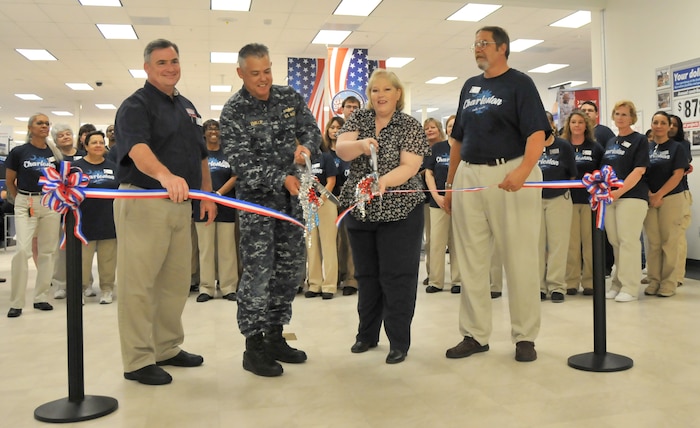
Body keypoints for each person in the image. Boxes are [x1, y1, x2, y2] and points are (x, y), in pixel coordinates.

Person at [443, 26, 550, 362]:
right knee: (472, 259)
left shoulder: (520, 84)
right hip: (469, 176)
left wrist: (520, 173)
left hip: (511, 172)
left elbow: (537, 135)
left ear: (502, 48)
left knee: (519, 257)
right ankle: (474, 335)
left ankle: (525, 337)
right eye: (475, 44)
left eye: (484, 43)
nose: (478, 49)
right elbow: (458, 139)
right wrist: (449, 185)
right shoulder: (470, 87)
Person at [113, 39, 216, 385]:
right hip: (144, 200)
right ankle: (138, 359)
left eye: (174, 60)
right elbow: (137, 148)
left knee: (174, 283)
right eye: (161, 63)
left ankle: (167, 347)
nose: (170, 67)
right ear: (147, 68)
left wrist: (208, 195)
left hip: (180, 205)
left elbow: (201, 154)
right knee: (138, 285)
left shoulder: (187, 107)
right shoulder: (135, 105)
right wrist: (165, 175)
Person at [219, 43, 321, 377]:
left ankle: (276, 335)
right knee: (259, 274)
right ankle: (254, 346)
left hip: (292, 203)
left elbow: (311, 129)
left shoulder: (288, 96)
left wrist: (306, 145)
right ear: (240, 74)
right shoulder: (233, 111)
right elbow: (241, 162)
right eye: (254, 74)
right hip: (258, 205)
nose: (263, 79)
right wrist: (281, 178)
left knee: (290, 271)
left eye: (267, 71)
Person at [336, 69, 429, 365]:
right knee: (366, 275)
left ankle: (398, 341)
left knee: (397, 276)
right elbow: (342, 150)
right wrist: (361, 145)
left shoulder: (408, 125)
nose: (380, 95)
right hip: (362, 210)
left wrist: (384, 182)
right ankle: (366, 334)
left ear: (398, 94)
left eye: (387, 90)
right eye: (375, 90)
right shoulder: (359, 120)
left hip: (400, 211)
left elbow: (411, 165)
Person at [5, 113, 62, 318]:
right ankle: (17, 302)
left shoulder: (54, 153)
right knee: (22, 250)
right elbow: (10, 180)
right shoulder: (19, 152)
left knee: (48, 252)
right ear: (30, 128)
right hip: (25, 202)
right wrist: (19, 199)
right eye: (40, 123)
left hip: (49, 203)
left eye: (47, 123)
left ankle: (41, 297)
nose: (44, 126)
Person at [602, 100, 649, 303]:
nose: (620, 117)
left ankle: (630, 287)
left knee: (628, 242)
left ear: (632, 118)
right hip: (611, 198)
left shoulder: (639, 140)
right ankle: (617, 284)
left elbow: (639, 170)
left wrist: (618, 193)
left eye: (624, 114)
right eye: (617, 114)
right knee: (615, 242)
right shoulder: (611, 142)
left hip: (631, 197)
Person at [643, 111, 688, 297]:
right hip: (649, 198)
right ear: (651, 125)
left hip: (671, 198)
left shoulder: (677, 148)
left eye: (663, 122)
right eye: (655, 122)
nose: (659, 125)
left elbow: (678, 175)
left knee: (669, 242)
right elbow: (641, 173)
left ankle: (668, 282)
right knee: (653, 243)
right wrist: (650, 195)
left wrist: (660, 194)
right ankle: (654, 280)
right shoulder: (647, 148)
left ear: (669, 127)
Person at [193, 119, 239, 303]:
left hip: (225, 204)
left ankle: (228, 287)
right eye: (209, 128)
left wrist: (218, 194)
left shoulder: (228, 152)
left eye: (216, 128)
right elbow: (193, 176)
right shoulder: (197, 154)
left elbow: (236, 176)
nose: (213, 131)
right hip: (202, 205)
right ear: (204, 133)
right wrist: (207, 196)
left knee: (227, 248)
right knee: (205, 249)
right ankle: (207, 287)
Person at [73, 131, 118, 304]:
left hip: (108, 220)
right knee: (83, 260)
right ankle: (83, 288)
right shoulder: (76, 168)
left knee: (108, 260)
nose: (98, 145)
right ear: (86, 146)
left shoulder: (114, 167)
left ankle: (107, 289)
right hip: (83, 222)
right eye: (94, 143)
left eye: (101, 142)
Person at [564, 110, 603, 296]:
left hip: (590, 201)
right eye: (573, 122)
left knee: (589, 244)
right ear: (568, 125)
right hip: (567, 201)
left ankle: (590, 282)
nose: (577, 125)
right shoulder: (563, 146)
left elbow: (603, 173)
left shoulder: (596, 148)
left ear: (586, 125)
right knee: (571, 244)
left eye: (580, 122)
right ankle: (571, 281)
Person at [538, 120, 577, 302]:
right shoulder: (529, 145)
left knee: (558, 244)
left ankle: (556, 286)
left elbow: (572, 173)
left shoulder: (564, 146)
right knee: (536, 245)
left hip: (559, 198)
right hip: (534, 200)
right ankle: (538, 286)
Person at [424, 115, 462, 294]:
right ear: (445, 129)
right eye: (449, 126)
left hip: (460, 203)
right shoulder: (437, 148)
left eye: (455, 125)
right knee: (436, 243)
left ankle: (458, 280)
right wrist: (436, 196)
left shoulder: (466, 147)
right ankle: (436, 281)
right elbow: (429, 173)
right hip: (437, 202)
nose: (452, 128)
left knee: (457, 243)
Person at [50, 123, 86, 300]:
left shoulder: (83, 156)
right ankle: (60, 285)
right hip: (62, 207)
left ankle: (85, 282)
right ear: (55, 140)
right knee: (62, 248)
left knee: (84, 247)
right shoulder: (54, 158)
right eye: (61, 135)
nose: (65, 137)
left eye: (68, 134)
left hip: (83, 208)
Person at [580, 100, 616, 276]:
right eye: (583, 110)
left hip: (599, 191)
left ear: (596, 114)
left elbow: (609, 157)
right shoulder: (575, 133)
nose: (587, 113)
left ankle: (606, 266)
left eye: (590, 110)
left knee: (602, 230)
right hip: (577, 194)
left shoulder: (604, 132)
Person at [305, 127, 339, 300]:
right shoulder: (303, 159)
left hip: (325, 204)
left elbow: (331, 181)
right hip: (308, 205)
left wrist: (321, 199)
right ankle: (315, 283)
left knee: (328, 245)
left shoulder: (326, 158)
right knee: (311, 245)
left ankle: (329, 285)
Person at [327, 116, 358, 296]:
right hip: (329, 202)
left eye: (339, 127)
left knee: (349, 240)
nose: (335, 130)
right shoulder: (324, 153)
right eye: (332, 127)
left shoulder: (349, 153)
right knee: (334, 241)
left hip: (349, 202)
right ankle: (336, 274)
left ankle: (351, 279)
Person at [420, 118, 445, 287]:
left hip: (445, 197)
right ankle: (432, 273)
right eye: (427, 128)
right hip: (426, 198)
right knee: (431, 239)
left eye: (433, 127)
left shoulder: (447, 147)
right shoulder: (420, 149)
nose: (430, 130)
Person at [668, 114, 692, 287]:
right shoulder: (653, 146)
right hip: (657, 195)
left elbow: (682, 167)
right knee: (658, 238)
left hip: (679, 193)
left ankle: (676, 276)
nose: (669, 127)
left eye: (673, 125)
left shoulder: (683, 145)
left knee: (677, 236)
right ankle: (659, 274)